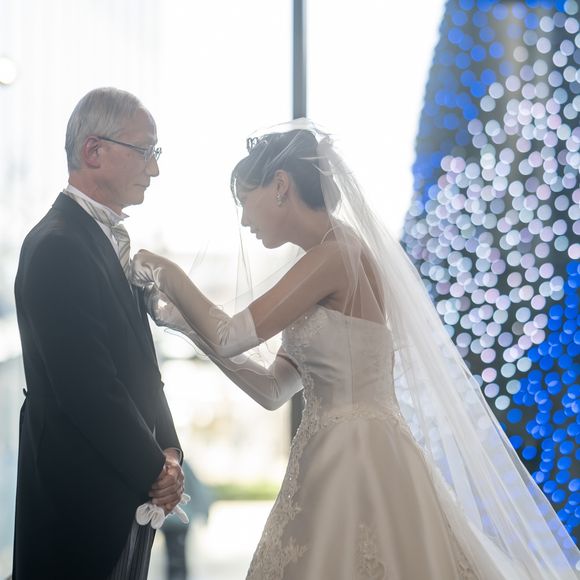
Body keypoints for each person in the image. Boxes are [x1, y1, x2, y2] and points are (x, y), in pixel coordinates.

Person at [132, 121, 580, 579]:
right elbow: (272, 390)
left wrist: (164, 269)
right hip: (328, 454)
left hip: (359, 457)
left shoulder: (334, 256)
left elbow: (232, 335)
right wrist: (185, 326)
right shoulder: (324, 259)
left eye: (246, 199)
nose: (245, 220)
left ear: (281, 186)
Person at [13, 87, 184, 580]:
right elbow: (87, 388)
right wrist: (156, 470)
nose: (154, 168)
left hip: (123, 495)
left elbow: (141, 367)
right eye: (145, 151)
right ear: (94, 151)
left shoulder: (100, 240)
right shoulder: (57, 246)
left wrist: (170, 450)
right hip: (78, 507)